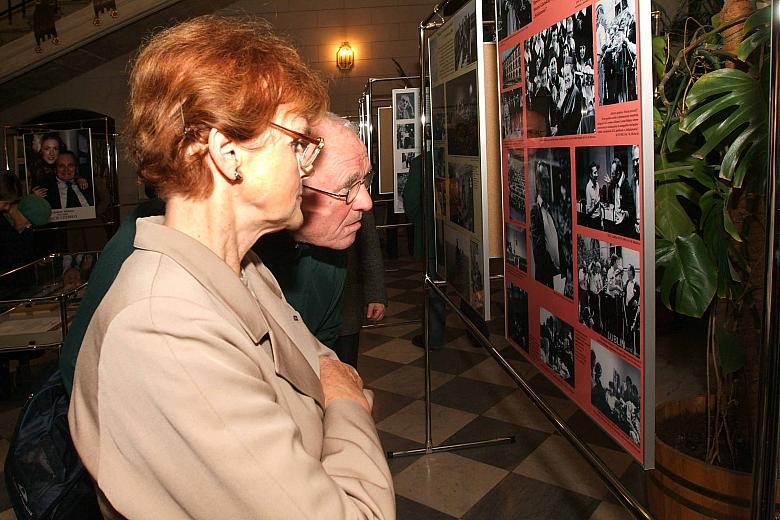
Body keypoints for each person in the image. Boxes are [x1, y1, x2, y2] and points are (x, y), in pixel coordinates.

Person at [68, 16, 394, 519]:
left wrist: (333, 390)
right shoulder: (162, 328)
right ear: (227, 152)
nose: (306, 165)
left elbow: (323, 366)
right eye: (297, 144)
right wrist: (347, 404)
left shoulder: (247, 266)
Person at [530, 160, 560, 289]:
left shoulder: (549, 210)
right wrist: (553, 268)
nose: (546, 184)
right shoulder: (535, 210)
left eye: (548, 180)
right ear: (537, 182)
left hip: (556, 275)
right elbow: (538, 250)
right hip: (546, 278)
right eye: (543, 180)